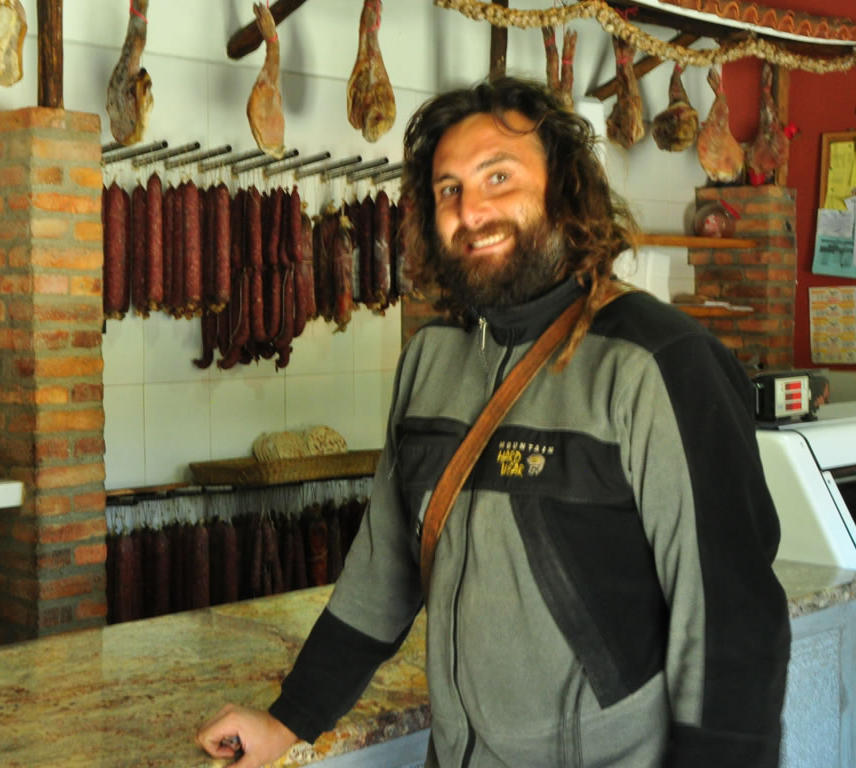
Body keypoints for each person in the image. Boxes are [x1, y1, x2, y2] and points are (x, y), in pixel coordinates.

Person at [196, 76, 791, 768]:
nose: (470, 211)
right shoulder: (431, 361)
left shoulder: (658, 362)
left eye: (498, 177)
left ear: (565, 189)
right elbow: (383, 573)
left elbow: (731, 624)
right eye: (448, 189)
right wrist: (289, 717)